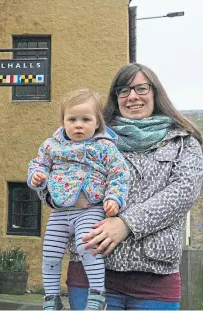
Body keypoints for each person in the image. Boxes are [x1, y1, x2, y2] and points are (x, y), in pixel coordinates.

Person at [64, 63, 203, 310]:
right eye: (124, 90)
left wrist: (126, 224)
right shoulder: (91, 136)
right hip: (91, 269)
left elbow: (184, 191)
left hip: (154, 280)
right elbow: (56, 172)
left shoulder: (183, 141)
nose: (132, 97)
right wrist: (58, 196)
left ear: (155, 92)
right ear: (115, 97)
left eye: (141, 88)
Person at [27, 88, 129, 310]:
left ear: (97, 123)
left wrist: (114, 198)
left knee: (87, 245)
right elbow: (37, 164)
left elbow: (119, 174)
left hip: (90, 209)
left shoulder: (104, 146)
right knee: (50, 253)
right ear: (63, 122)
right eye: (72, 119)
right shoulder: (52, 146)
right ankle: (52, 298)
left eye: (86, 119)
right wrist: (36, 177)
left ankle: (97, 293)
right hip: (61, 212)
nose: (78, 125)